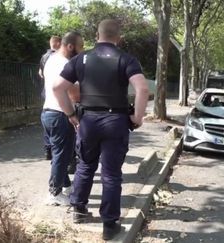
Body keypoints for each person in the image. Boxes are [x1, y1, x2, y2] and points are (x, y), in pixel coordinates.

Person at [52, 19, 149, 240]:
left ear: (97, 35)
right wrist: (137, 117)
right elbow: (142, 89)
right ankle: (109, 225)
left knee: (85, 165)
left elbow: (58, 88)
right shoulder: (126, 59)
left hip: (88, 121)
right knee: (111, 173)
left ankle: (78, 209)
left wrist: (71, 114)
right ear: (119, 37)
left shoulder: (81, 59)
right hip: (116, 121)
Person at [41, 32, 83, 206]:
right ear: (70, 46)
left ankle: (64, 185)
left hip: (48, 112)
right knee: (62, 155)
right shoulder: (65, 64)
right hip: (61, 113)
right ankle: (54, 193)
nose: (82, 51)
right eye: (80, 47)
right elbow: (72, 92)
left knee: (60, 154)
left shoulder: (51, 60)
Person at [39, 36, 61, 160]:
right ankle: (57, 150)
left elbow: (40, 73)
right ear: (57, 43)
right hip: (57, 91)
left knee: (47, 119)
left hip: (46, 92)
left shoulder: (43, 57)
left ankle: (48, 148)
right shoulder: (58, 57)